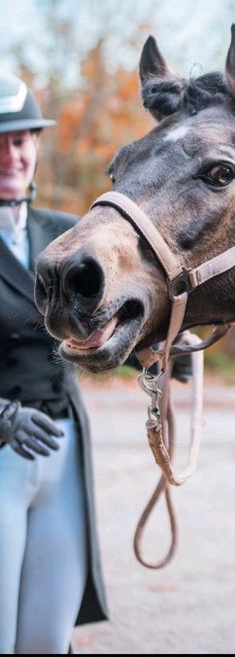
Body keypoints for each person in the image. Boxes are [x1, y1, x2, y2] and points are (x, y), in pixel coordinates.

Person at [0, 74, 191, 654]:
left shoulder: (66, 236)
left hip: (62, 452)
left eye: (22, 141)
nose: (14, 155)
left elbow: (101, 327)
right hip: (4, 452)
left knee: (44, 638)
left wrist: (159, 354)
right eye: (0, 142)